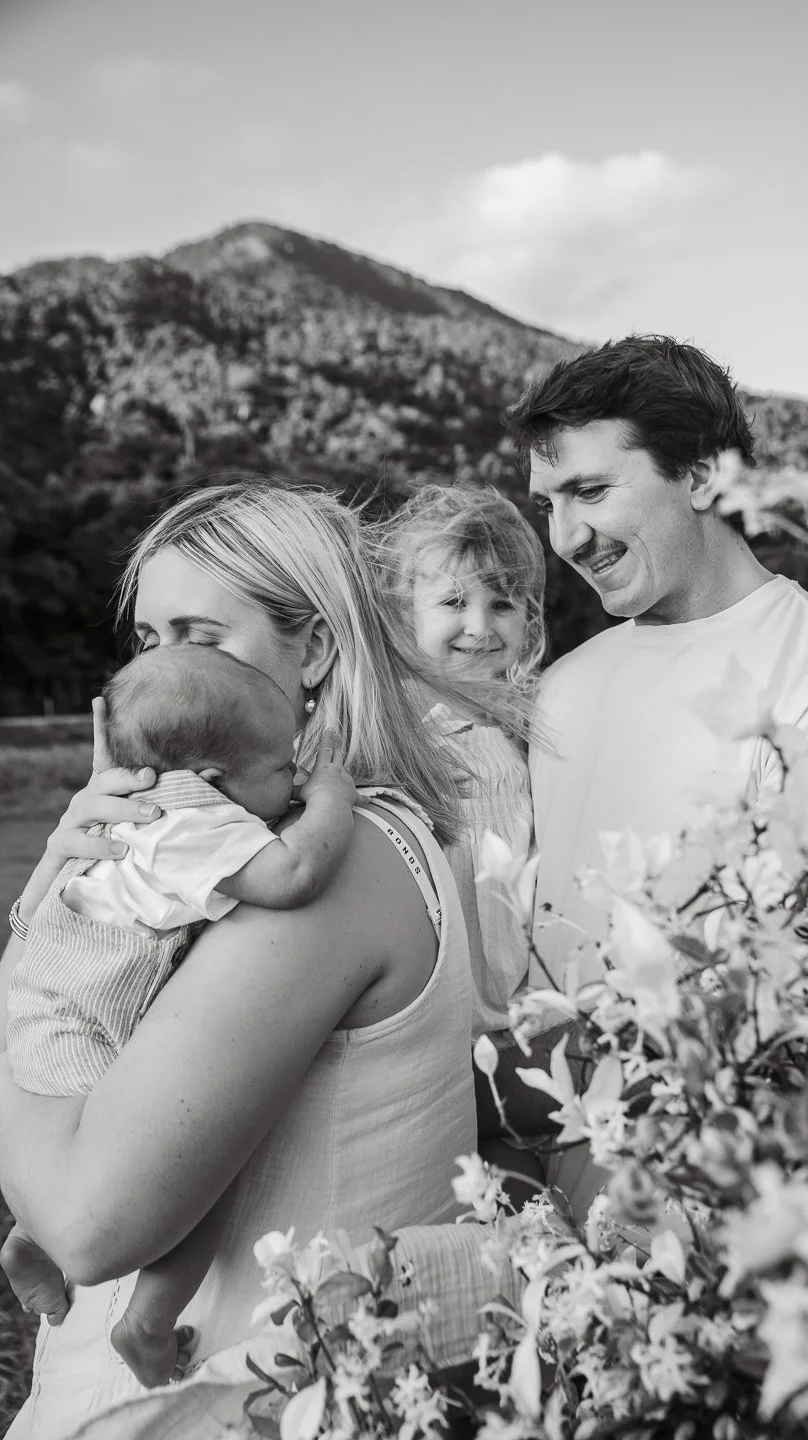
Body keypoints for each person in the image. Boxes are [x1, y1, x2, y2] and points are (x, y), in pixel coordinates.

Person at [0, 480, 522, 1438]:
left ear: (317, 649)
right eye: (148, 641)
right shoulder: (259, 835)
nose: (167, 671)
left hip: (231, 1397)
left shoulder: (339, 855)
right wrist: (64, 889)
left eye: (201, 636)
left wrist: (27, 955)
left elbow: (85, 1221)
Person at [503, 334, 808, 1216]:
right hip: (530, 1177)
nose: (567, 537)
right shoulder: (563, 685)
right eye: (549, 503)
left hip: (716, 1205)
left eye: (591, 491)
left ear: (701, 477)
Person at [1, 643, 358, 1387]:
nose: (294, 776)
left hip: (51, 991)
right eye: (283, 765)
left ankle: (29, 1241)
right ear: (218, 782)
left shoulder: (144, 800)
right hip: (87, 1010)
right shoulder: (197, 818)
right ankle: (151, 1319)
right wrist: (334, 796)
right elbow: (291, 875)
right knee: (183, 1167)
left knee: (74, 1147)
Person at [376, 483, 544, 1041]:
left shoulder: (526, 723)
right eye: (453, 603)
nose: (479, 626)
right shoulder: (398, 723)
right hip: (437, 996)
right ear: (404, 616)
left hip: (516, 985)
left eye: (502, 604)